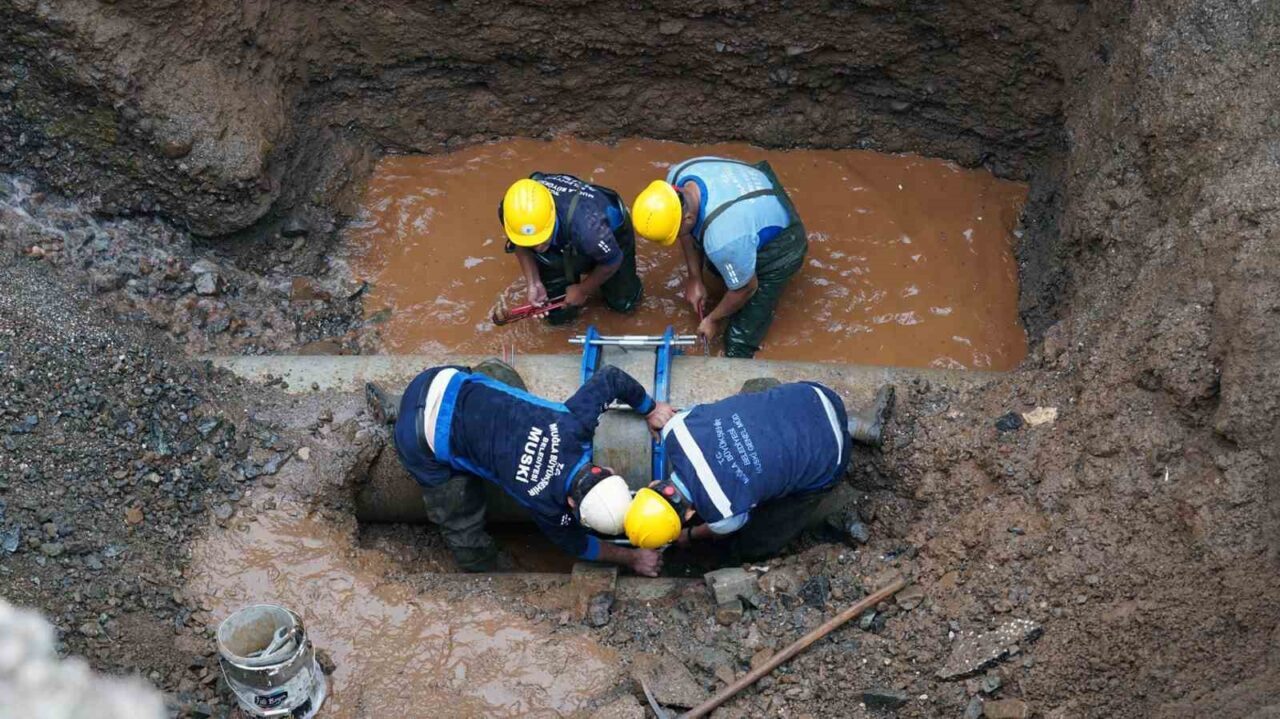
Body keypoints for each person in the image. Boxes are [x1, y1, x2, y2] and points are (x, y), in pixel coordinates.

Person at [365, 359, 676, 575]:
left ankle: (401, 403)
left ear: (607, 471)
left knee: (502, 377)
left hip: (437, 379)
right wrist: (632, 558)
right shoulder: (547, 506)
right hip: (418, 439)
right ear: (571, 504)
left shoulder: (575, 424)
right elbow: (580, 545)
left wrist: (650, 409)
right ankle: (482, 572)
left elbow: (611, 377)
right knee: (461, 520)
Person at [623, 379, 893, 561]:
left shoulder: (723, 514)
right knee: (754, 395)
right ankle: (853, 421)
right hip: (815, 395)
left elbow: (721, 529)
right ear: (653, 484)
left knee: (763, 533)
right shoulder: (675, 428)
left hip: (832, 457)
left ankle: (753, 557)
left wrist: (689, 535)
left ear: (691, 514)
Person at [630, 157, 808, 357]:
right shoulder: (677, 178)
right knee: (719, 264)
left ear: (688, 218)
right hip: (755, 187)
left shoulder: (724, 241)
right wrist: (695, 278)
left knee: (737, 344)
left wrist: (713, 319)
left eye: (675, 233)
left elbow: (746, 288)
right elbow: (686, 232)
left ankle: (741, 345)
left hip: (783, 241)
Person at [499, 175, 643, 325]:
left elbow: (613, 260)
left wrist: (583, 289)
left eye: (541, 240)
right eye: (530, 243)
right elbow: (518, 243)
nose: (538, 248)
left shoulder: (590, 230)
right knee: (556, 314)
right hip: (568, 235)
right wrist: (533, 282)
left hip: (606, 233)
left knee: (623, 303)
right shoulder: (512, 212)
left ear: (552, 216)